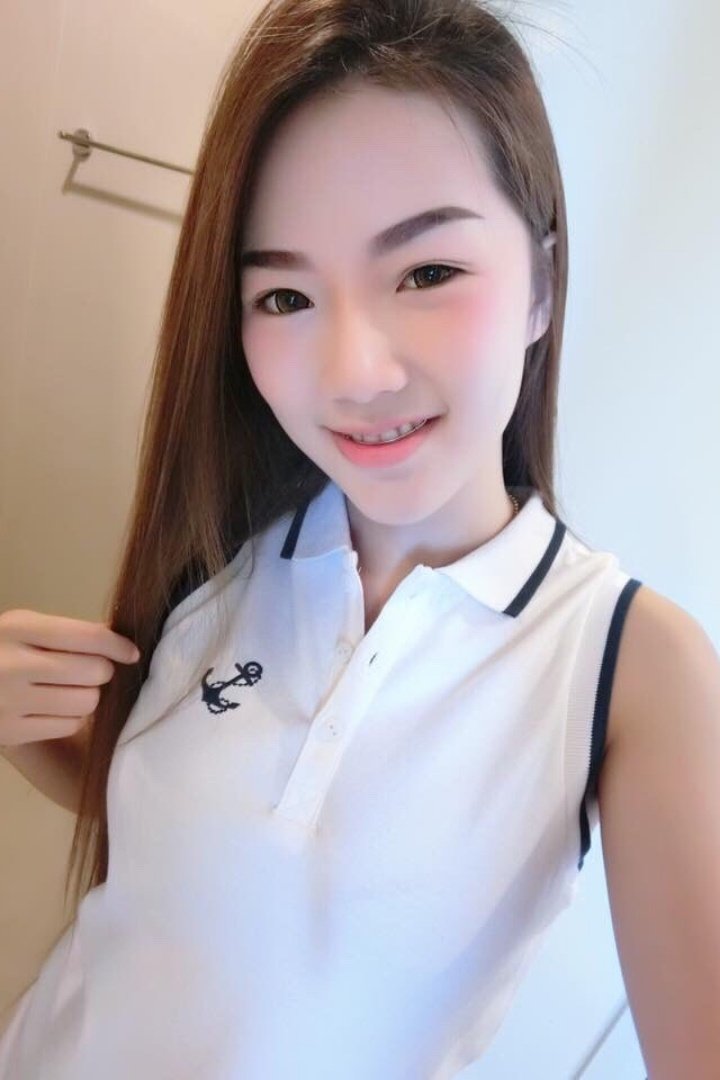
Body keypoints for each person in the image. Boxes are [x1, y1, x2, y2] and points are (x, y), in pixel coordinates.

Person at [1, 0, 719, 1076]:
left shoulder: (626, 668)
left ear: (543, 284)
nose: (352, 374)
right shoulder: (229, 536)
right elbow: (168, 831)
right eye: (285, 295)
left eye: (426, 273)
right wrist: (26, 728)